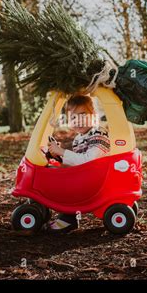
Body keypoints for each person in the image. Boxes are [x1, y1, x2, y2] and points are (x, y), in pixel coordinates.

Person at [46, 94, 110, 232]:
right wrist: (58, 155)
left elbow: (88, 161)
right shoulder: (78, 138)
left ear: (93, 115)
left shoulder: (98, 133)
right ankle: (55, 212)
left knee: (67, 185)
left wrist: (63, 152)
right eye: (73, 117)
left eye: (82, 115)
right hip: (88, 176)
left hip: (99, 180)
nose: (78, 121)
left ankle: (68, 219)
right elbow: (77, 163)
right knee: (57, 176)